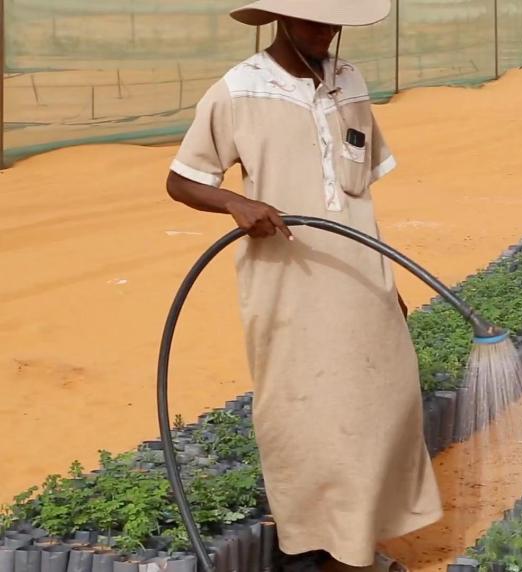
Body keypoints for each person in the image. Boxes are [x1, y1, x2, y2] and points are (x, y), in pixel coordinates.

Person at [165, 1, 442, 570]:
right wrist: (235, 202)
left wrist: (384, 281)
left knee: (381, 404)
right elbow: (182, 180)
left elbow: (359, 193)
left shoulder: (350, 81)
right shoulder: (239, 89)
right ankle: (327, 548)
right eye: (313, 19)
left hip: (360, 274)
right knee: (305, 412)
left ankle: (360, 539)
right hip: (288, 282)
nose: (326, 31)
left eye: (333, 21)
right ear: (279, 19)